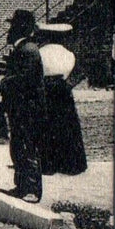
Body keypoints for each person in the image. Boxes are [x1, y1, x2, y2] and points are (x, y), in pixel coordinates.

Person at [0, 9, 45, 202]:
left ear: (20, 28)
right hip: (20, 108)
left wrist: (3, 80)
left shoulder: (28, 50)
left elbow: (23, 79)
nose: (9, 30)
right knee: (18, 146)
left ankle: (32, 190)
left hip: (28, 109)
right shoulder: (23, 49)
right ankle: (21, 185)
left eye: (12, 26)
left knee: (27, 147)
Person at [37, 22, 88, 176]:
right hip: (63, 90)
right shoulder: (69, 54)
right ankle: (69, 163)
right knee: (66, 126)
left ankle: (48, 163)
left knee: (46, 126)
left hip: (45, 90)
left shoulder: (40, 52)